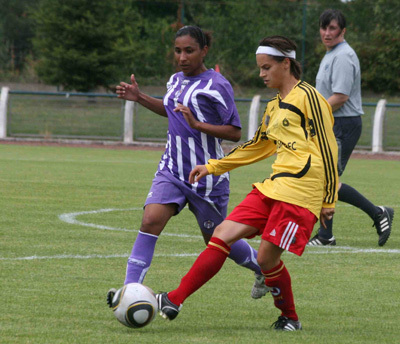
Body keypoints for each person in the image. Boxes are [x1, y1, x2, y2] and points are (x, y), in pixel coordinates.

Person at [156, 35, 339, 331]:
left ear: (286, 64)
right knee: (222, 233)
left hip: (300, 194)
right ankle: (174, 299)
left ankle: (290, 318)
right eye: (260, 68)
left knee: (266, 260)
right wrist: (213, 166)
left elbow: (329, 148)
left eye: (267, 68)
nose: (261, 74)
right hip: (273, 187)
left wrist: (328, 199)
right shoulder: (274, 107)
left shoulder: (309, 98)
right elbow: (256, 146)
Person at [106, 26, 268, 307]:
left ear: (204, 51)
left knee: (216, 240)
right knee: (150, 221)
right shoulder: (175, 80)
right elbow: (170, 110)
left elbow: (234, 132)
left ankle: (263, 269)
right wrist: (140, 97)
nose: (182, 57)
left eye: (189, 50)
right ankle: (129, 291)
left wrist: (197, 124)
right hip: (171, 170)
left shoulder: (217, 85)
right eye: (178, 50)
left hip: (207, 177)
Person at [308, 9, 394, 247]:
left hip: (343, 124)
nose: (327, 33)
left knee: (328, 181)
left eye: (332, 28)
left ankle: (377, 214)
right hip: (333, 123)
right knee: (325, 180)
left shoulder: (343, 56)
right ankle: (327, 235)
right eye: (324, 28)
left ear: (342, 31)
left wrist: (310, 113)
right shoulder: (332, 54)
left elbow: (341, 96)